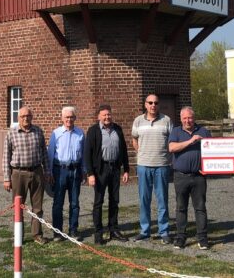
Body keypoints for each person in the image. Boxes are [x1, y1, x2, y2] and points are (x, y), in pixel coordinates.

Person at [3, 107, 52, 245]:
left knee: (38, 207)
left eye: (28, 116)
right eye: (23, 116)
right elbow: (5, 157)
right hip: (18, 174)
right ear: (18, 117)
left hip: (37, 172)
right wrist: (7, 178)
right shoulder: (11, 133)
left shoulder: (38, 131)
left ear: (32, 117)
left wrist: (47, 172)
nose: (26, 118)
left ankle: (37, 234)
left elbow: (44, 154)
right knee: (18, 206)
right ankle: (18, 236)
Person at [84, 104, 130, 245]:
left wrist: (126, 169)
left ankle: (113, 229)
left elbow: (124, 149)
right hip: (100, 170)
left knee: (114, 200)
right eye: (104, 115)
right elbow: (87, 154)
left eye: (109, 114)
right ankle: (98, 233)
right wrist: (90, 174)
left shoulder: (117, 129)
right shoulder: (93, 131)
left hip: (115, 168)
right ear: (99, 116)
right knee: (99, 202)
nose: (107, 117)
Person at [131, 93, 173, 244]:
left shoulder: (166, 120)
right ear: (145, 104)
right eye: (150, 103)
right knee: (144, 199)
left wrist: (167, 158)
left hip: (161, 165)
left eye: (156, 103)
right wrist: (141, 153)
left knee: (162, 200)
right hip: (143, 165)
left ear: (159, 104)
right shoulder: (138, 121)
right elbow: (134, 139)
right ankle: (145, 230)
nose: (153, 105)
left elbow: (171, 141)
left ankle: (164, 231)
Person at [168, 106, 211, 250]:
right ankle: (181, 237)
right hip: (180, 176)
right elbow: (172, 148)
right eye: (185, 118)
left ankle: (203, 238)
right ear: (181, 119)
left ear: (194, 118)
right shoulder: (176, 131)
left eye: (190, 117)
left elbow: (213, 151)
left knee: (200, 208)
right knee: (181, 208)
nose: (188, 121)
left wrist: (208, 168)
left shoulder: (203, 131)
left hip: (199, 176)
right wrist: (191, 141)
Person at [47, 106, 86, 241]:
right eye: (66, 117)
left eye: (71, 117)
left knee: (74, 203)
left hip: (75, 171)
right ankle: (57, 232)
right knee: (58, 203)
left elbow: (83, 155)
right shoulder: (56, 133)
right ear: (62, 118)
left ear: (75, 118)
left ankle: (73, 230)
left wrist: (84, 171)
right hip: (59, 171)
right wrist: (49, 172)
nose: (69, 119)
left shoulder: (80, 133)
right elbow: (50, 154)